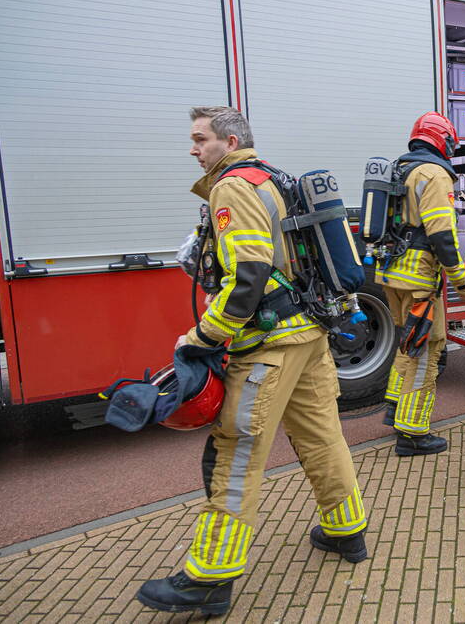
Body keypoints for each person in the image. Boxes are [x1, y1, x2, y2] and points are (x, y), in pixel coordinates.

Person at [136, 107, 368, 616]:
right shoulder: (273, 179)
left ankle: (208, 579)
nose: (193, 149)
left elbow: (249, 273)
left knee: (236, 454)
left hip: (267, 348)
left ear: (230, 140)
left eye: (200, 139)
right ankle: (346, 531)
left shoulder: (232, 187)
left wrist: (201, 336)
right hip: (309, 335)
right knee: (323, 436)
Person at [379, 112, 465, 456]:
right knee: (428, 351)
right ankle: (412, 432)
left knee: (409, 342)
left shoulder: (399, 168)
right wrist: (460, 280)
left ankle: (394, 407)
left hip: (391, 273)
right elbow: (441, 234)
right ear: (443, 140)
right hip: (419, 276)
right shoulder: (434, 174)